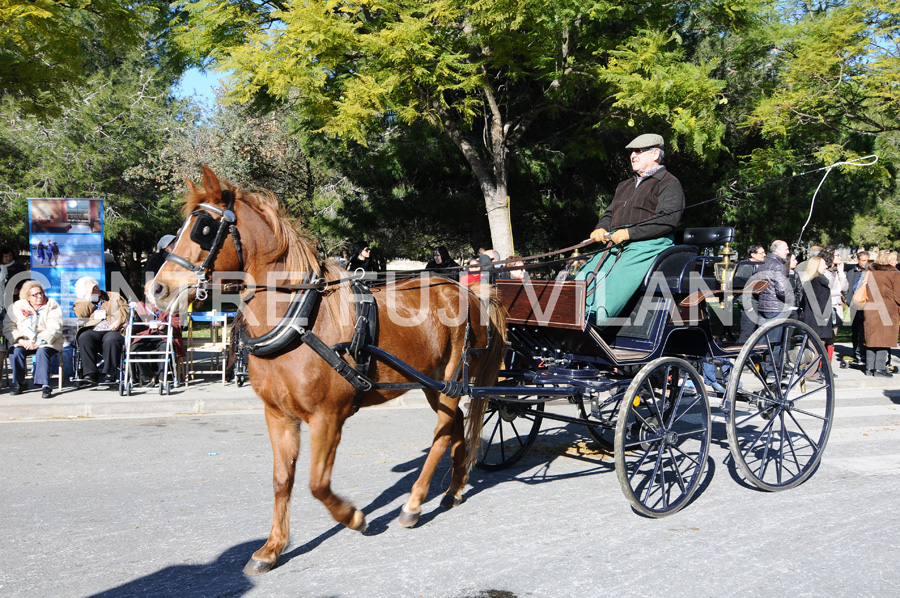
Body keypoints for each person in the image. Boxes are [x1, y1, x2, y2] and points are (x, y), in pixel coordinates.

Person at [577, 133, 684, 326]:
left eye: (639, 151)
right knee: (588, 270)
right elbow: (610, 213)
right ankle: (568, 311)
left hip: (650, 242)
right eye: (631, 152)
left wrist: (630, 233)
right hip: (617, 240)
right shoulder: (624, 185)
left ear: (655, 154)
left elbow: (668, 219)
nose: (633, 155)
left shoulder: (669, 183)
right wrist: (600, 228)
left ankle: (594, 319)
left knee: (619, 275)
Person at [3, 281, 63, 398]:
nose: (39, 296)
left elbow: (55, 327)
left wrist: (38, 342)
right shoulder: (16, 307)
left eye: (41, 293)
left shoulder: (52, 304)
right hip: (24, 342)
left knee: (42, 351)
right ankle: (20, 383)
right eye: (35, 295)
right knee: (15, 352)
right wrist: (20, 340)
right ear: (27, 297)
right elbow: (9, 327)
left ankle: (45, 385)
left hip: (47, 342)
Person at [73, 276, 128, 387]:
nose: (95, 289)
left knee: (111, 339)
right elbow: (81, 314)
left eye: (96, 286)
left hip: (113, 328)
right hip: (93, 330)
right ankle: (90, 374)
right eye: (92, 288)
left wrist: (118, 322)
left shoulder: (113, 296)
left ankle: (109, 374)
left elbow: (126, 311)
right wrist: (88, 296)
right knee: (84, 337)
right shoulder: (81, 301)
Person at [862, 250, 900, 377]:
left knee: (872, 338)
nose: (896, 262)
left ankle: (869, 368)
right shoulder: (894, 274)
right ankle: (879, 368)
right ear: (888, 260)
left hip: (870, 309)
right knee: (884, 339)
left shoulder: (872, 272)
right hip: (887, 310)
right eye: (894, 259)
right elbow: (898, 295)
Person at [130, 301, 184, 386]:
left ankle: (162, 378)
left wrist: (164, 327)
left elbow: (176, 325)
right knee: (133, 349)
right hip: (146, 336)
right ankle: (150, 375)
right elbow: (134, 326)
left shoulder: (169, 307)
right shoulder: (142, 307)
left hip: (162, 336)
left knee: (165, 347)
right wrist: (134, 314)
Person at [800, 257, 834, 348]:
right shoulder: (814, 282)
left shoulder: (818, 280)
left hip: (818, 323)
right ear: (816, 266)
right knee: (816, 351)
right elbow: (814, 302)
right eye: (823, 264)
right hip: (817, 323)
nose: (826, 267)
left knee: (818, 350)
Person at [846, 251, 870, 364]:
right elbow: (847, 288)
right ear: (858, 260)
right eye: (863, 260)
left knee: (864, 331)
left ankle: (863, 353)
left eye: (867, 260)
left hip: (866, 306)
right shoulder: (852, 273)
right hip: (854, 305)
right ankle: (856, 353)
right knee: (855, 331)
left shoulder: (870, 273)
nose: (866, 263)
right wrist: (849, 301)